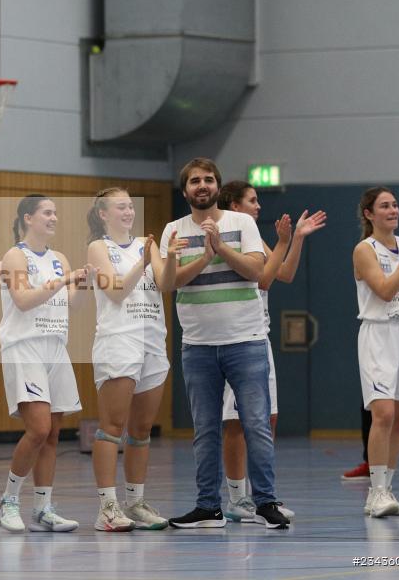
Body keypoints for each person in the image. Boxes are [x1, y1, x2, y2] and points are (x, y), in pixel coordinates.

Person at [163, 157, 290, 530]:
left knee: (256, 424)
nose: (201, 186)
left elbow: (257, 272)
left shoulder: (243, 222)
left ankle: (265, 503)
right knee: (204, 429)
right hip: (198, 345)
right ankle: (208, 506)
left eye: (207, 180)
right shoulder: (174, 229)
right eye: (194, 181)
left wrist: (220, 248)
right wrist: (202, 256)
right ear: (185, 190)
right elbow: (170, 283)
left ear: (217, 186)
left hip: (245, 341)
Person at [216, 181, 326, 522]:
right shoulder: (226, 235)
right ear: (234, 205)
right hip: (237, 338)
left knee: (268, 418)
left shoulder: (251, 234)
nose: (258, 205)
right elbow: (263, 279)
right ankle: (237, 497)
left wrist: (298, 239)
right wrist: (282, 241)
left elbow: (284, 273)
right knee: (236, 419)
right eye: (252, 200)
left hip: (258, 335)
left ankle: (262, 496)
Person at [86, 187, 186, 531]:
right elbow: (114, 292)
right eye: (120, 207)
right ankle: (107, 508)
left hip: (152, 341)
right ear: (103, 214)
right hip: (118, 340)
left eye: (130, 206)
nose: (128, 211)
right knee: (112, 428)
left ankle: (135, 501)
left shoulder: (148, 243)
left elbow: (165, 283)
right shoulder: (99, 248)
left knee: (142, 429)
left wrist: (169, 257)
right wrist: (141, 263)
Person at [0, 194, 93, 533]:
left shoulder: (59, 258)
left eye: (55, 213)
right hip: (24, 346)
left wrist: (82, 286)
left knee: (52, 435)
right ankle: (8, 500)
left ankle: (43, 507)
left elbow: (74, 306)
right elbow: (22, 301)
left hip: (55, 346)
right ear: (27, 218)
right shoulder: (14, 255)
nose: (53, 218)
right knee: (37, 429)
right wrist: (63, 281)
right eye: (46, 212)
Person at [353, 186, 399, 517]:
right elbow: (384, 291)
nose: (393, 210)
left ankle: (387, 491)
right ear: (369, 214)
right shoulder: (364, 250)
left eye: (395, 204)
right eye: (385, 206)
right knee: (382, 414)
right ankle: (376, 491)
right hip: (379, 333)